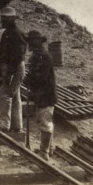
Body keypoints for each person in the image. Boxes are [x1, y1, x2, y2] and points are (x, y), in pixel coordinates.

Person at [24, 30, 57, 160]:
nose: (29, 44)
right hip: (39, 94)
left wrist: (29, 79)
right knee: (44, 121)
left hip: (46, 95)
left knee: (46, 122)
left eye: (31, 42)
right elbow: (33, 73)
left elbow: (40, 77)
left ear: (37, 42)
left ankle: (44, 153)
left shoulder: (45, 56)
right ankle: (50, 148)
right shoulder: (35, 56)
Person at [0, 6, 27, 132]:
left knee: (4, 94)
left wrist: (9, 72)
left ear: (12, 18)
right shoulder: (8, 32)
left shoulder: (15, 34)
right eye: (2, 17)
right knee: (14, 96)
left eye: (5, 18)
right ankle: (17, 124)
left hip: (15, 67)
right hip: (13, 67)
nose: (2, 20)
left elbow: (18, 56)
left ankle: (4, 124)